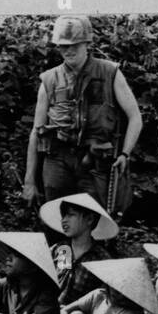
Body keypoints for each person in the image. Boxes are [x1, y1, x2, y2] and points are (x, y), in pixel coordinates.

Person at [22, 15, 142, 214]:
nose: (68, 50)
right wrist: (29, 181)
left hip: (95, 161)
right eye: (63, 46)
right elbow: (36, 131)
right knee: (56, 217)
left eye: (74, 45)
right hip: (58, 159)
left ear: (87, 43)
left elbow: (135, 117)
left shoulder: (109, 73)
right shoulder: (50, 80)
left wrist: (124, 154)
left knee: (96, 220)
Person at [40, 192, 116, 314]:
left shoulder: (100, 257)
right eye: (63, 215)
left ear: (89, 219)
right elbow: (47, 283)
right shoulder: (61, 250)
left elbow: (105, 299)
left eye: (71, 215)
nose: (64, 220)